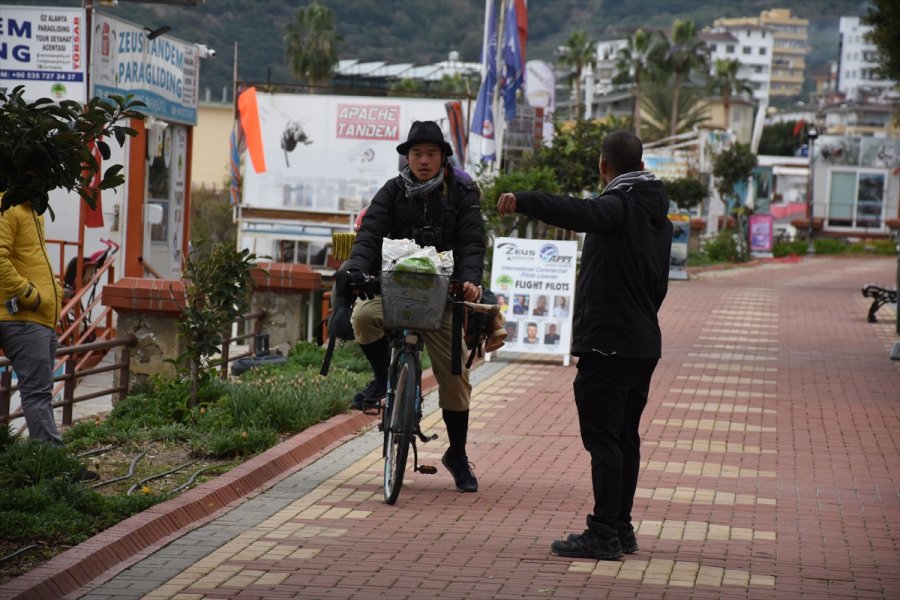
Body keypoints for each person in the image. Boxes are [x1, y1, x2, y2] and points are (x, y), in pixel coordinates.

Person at [497, 131, 672, 560]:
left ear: (602, 166)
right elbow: (659, 286)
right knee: (625, 438)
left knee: (605, 440)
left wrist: (524, 199)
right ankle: (621, 527)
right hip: (642, 343)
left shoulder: (618, 205)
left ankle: (603, 533)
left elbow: (579, 211)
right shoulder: (658, 218)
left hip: (610, 344)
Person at [337, 121, 484, 493]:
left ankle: (458, 454)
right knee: (363, 317)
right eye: (416, 154)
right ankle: (384, 380)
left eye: (430, 154)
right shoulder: (391, 191)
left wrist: (469, 279)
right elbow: (370, 234)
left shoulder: (461, 194)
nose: (422, 160)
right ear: (407, 157)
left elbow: (471, 243)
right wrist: (355, 267)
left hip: (443, 298)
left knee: (456, 380)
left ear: (442, 158)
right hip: (395, 292)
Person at [0, 201, 99, 482]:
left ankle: (48, 462)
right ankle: (52, 467)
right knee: (37, 393)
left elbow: (34, 261)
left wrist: (52, 292)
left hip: (40, 317)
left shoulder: (31, 211)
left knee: (39, 392)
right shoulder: (8, 206)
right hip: (22, 316)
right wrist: (31, 295)